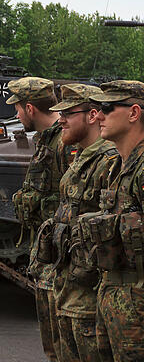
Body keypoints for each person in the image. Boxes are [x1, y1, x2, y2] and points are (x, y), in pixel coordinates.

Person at [33, 84, 118, 362]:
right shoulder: (80, 157)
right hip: (67, 284)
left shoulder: (109, 161)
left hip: (89, 291)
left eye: (68, 113)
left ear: (92, 115)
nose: (60, 120)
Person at [75, 80, 144, 361]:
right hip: (113, 301)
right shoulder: (118, 166)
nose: (98, 115)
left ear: (134, 113)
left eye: (106, 107)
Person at [8, 77, 74, 361]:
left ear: (31, 108)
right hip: (46, 256)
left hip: (60, 262)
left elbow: (73, 201)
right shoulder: (47, 141)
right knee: (53, 346)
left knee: (64, 345)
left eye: (18, 108)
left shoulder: (64, 143)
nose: (16, 114)